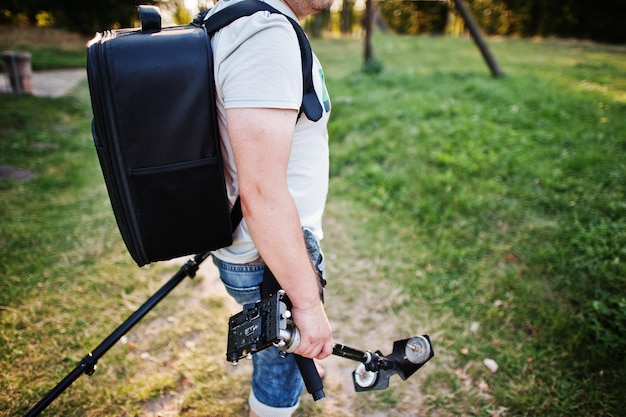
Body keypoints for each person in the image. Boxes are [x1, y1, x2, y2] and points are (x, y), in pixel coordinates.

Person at [206, 0, 334, 415]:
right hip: (270, 254)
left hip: (258, 246)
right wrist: (309, 306)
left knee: (274, 357)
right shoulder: (265, 33)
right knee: (280, 376)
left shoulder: (231, 15)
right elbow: (261, 192)